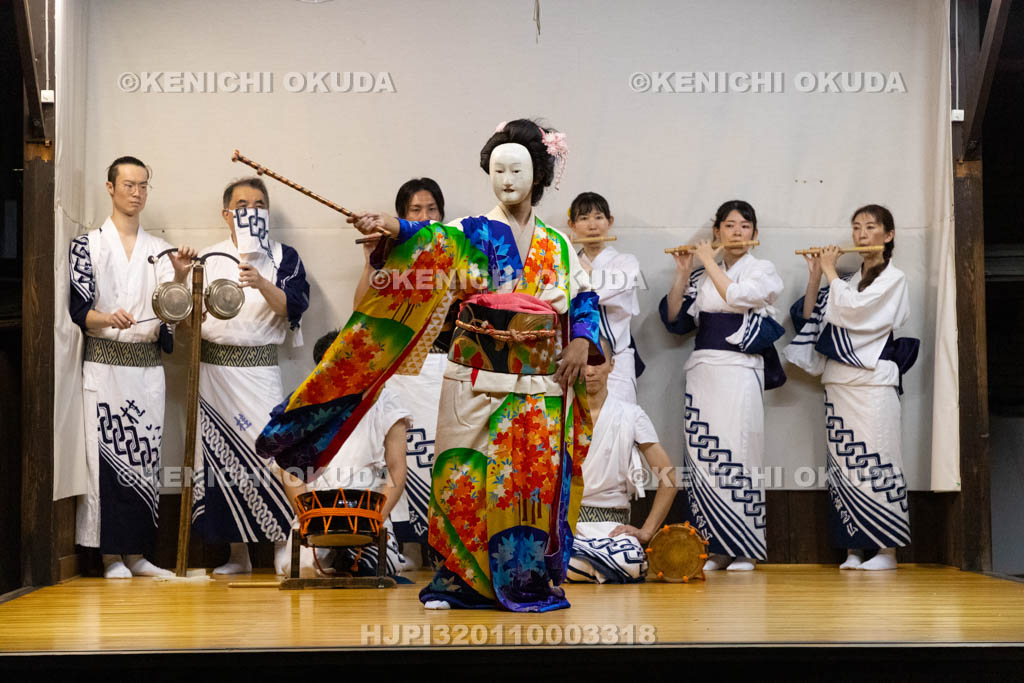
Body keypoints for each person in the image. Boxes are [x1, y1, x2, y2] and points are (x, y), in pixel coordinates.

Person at [258, 118, 603, 612]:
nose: (506, 180)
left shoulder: (560, 245)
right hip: (476, 380)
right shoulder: (470, 232)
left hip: (537, 384)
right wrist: (392, 226)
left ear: (539, 177)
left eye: (518, 170)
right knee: (462, 477)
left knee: (527, 484)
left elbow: (584, 300)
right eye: (498, 170)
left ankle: (526, 579)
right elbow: (428, 238)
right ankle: (459, 581)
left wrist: (581, 342)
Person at [69, 155, 196, 578]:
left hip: (146, 370)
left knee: (144, 457)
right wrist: (107, 318)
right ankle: (108, 556)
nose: (136, 193)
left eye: (143, 186)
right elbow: (79, 311)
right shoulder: (87, 245)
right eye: (128, 185)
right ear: (110, 187)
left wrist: (179, 277)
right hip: (104, 366)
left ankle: (138, 554)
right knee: (104, 458)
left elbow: (172, 311)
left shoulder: (161, 251)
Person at [783, 204, 917, 571]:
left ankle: (887, 549)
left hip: (873, 382)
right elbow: (812, 316)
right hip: (839, 382)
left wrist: (829, 271)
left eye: (870, 227)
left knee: (879, 460)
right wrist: (816, 274)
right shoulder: (844, 279)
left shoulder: (895, 278)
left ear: (888, 235)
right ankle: (853, 548)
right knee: (845, 465)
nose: (861, 234)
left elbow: (855, 313)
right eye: (856, 227)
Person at [190, 177, 310, 575]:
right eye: (242, 204)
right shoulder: (208, 259)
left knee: (272, 453)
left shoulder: (284, 257)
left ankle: (282, 541)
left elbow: (293, 306)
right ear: (227, 214)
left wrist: (260, 281)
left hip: (260, 369)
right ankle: (236, 553)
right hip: (215, 371)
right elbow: (189, 317)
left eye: (259, 204)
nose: (251, 211)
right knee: (220, 459)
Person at [659, 200, 785, 572]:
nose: (736, 233)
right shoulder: (701, 276)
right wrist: (684, 272)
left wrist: (708, 262)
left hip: (740, 370)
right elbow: (673, 320)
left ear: (755, 233)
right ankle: (714, 546)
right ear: (717, 232)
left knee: (741, 451)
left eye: (745, 226)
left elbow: (739, 297)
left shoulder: (762, 270)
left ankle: (745, 547)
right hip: (703, 372)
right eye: (728, 226)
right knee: (705, 456)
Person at [354, 178, 448, 565]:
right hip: (403, 369)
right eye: (415, 210)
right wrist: (371, 261)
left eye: (431, 210)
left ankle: (444, 545)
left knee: (442, 455)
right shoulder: (390, 255)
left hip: (445, 367)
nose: (424, 217)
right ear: (401, 216)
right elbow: (360, 311)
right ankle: (408, 543)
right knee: (407, 451)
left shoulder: (453, 252)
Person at [567, 337, 677, 583]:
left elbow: (668, 477)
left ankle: (578, 568)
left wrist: (647, 531)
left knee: (630, 561)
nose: (590, 371)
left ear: (612, 365)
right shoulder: (559, 412)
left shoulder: (631, 415)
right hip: (568, 527)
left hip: (612, 530)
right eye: (584, 363)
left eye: (598, 362)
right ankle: (586, 567)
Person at [307, 330, 410, 575]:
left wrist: (376, 520)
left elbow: (397, 471)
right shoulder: (305, 403)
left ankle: (354, 556)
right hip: (318, 510)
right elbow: (285, 468)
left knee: (377, 567)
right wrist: (305, 517)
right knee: (297, 567)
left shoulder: (387, 401)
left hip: (366, 508)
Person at [569, 192, 643, 403]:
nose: (592, 226)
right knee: (579, 429)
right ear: (572, 224)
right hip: (578, 360)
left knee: (620, 425)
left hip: (617, 360)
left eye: (599, 217)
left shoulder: (627, 262)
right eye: (583, 218)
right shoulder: (566, 261)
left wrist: (582, 273)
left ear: (609, 221)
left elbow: (601, 291)